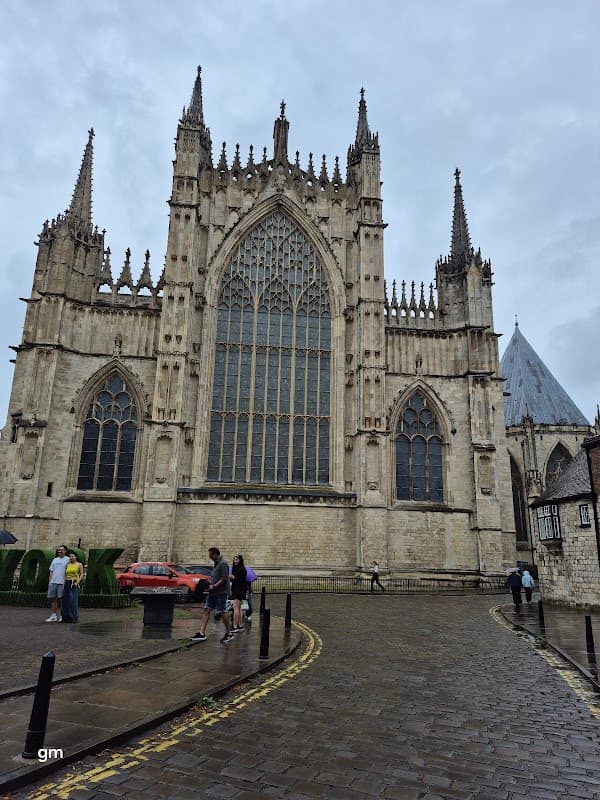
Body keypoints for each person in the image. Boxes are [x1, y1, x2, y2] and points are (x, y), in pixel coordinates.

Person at [191, 547, 234, 644]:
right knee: (206, 609)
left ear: (215, 554)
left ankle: (229, 632)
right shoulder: (216, 564)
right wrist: (209, 583)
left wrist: (214, 586)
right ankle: (202, 633)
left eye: (211, 555)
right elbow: (216, 577)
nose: (210, 557)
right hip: (212, 592)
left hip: (220, 592)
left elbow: (224, 578)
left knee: (222, 611)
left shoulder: (223, 563)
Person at [46, 545, 70, 622]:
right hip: (53, 582)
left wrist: (65, 582)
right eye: (59, 550)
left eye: (62, 550)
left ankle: (63, 615)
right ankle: (53, 616)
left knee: (62, 600)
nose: (60, 551)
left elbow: (69, 571)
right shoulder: (55, 560)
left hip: (62, 582)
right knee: (53, 599)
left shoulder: (68, 559)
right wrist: (50, 581)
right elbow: (51, 571)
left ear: (65, 551)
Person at [61, 552, 84, 623]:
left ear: (76, 557)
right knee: (65, 601)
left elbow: (82, 574)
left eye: (72, 556)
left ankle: (73, 618)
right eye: (70, 556)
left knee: (72, 600)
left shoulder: (79, 564)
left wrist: (77, 582)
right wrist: (63, 584)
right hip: (67, 582)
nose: (71, 558)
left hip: (73, 583)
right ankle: (65, 618)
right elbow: (65, 575)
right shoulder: (67, 564)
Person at [230, 554, 247, 632]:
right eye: (234, 559)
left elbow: (240, 580)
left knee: (235, 607)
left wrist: (233, 577)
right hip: (237, 589)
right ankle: (240, 625)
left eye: (236, 559)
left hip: (239, 590)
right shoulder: (235, 568)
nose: (235, 561)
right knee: (239, 608)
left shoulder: (241, 569)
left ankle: (234, 626)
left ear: (240, 560)